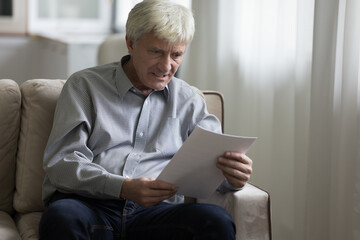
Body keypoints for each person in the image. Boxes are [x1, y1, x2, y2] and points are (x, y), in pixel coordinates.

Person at [39, 0, 253, 239]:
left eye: (177, 55)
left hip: (155, 213)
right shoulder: (84, 86)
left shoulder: (190, 101)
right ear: (131, 43)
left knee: (216, 220)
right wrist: (123, 188)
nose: (166, 66)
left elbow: (212, 171)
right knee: (62, 216)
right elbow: (62, 164)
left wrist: (233, 176)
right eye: (156, 52)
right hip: (90, 205)